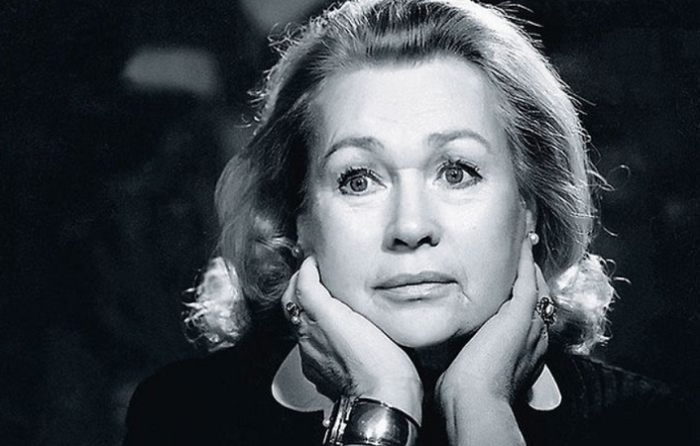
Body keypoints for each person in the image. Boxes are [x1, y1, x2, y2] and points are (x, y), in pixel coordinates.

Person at [123, 0, 697, 445]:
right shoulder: (187, 417)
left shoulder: (643, 425)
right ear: (296, 220)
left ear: (531, 205)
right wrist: (380, 405)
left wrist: (481, 410)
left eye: (457, 172)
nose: (411, 226)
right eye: (358, 179)